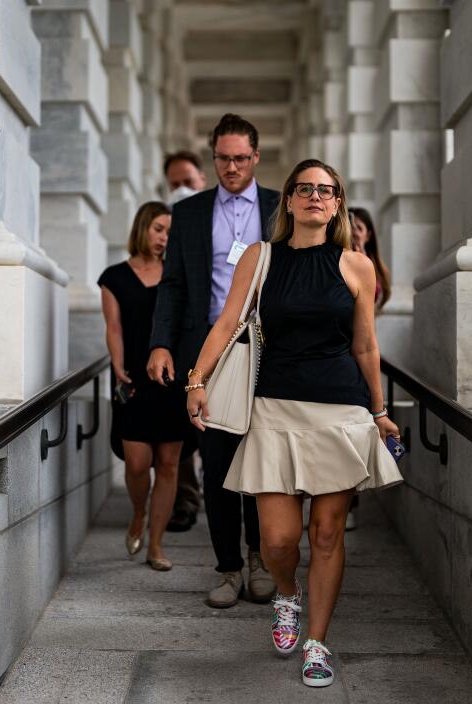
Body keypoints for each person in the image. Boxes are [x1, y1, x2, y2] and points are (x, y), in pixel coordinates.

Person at [185, 159, 404, 688]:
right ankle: (287, 593)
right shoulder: (260, 259)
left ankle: (317, 643)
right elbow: (226, 322)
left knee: (326, 533)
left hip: (341, 410)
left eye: (324, 191)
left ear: (337, 203)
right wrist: (196, 379)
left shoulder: (356, 266)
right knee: (280, 540)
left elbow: (366, 345)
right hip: (274, 407)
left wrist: (378, 411)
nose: (314, 197)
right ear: (287, 201)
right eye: (303, 189)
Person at [148, 113, 280, 608]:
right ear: (213, 159)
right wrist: (161, 343)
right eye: (223, 158)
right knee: (218, 462)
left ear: (256, 158)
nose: (231, 167)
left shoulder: (277, 208)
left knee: (262, 459)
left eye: (240, 158)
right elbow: (174, 285)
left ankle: (260, 559)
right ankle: (227, 569)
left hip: (267, 352)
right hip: (208, 350)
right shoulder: (189, 213)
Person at [97, 202, 186, 572]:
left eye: (170, 231)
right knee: (137, 461)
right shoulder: (114, 276)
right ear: (143, 228)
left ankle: (156, 544)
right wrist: (116, 363)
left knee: (168, 463)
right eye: (159, 229)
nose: (164, 237)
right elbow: (114, 326)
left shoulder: (178, 276)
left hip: (172, 380)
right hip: (132, 377)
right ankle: (138, 512)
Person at [161, 151, 208, 533]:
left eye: (188, 182)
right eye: (174, 182)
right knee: (181, 432)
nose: (181, 189)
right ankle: (186, 500)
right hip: (177, 348)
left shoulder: (213, 222)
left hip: (217, 342)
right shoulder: (160, 226)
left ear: (202, 181)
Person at [344, 206, 393, 531]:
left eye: (362, 226)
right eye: (352, 226)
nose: (358, 231)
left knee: (362, 433)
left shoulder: (373, 266)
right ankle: (343, 501)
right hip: (346, 352)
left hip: (366, 350)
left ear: (370, 231)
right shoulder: (344, 262)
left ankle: (351, 499)